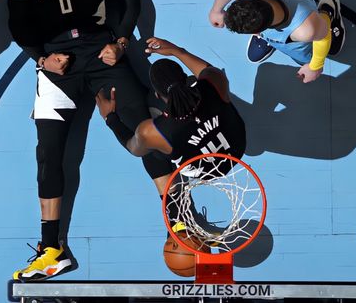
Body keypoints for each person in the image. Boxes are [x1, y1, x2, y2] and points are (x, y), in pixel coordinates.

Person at [7, 0, 173, 282]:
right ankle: (52, 250)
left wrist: (119, 42)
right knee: (49, 152)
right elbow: (17, 22)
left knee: (144, 131)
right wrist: (41, 57)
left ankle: (182, 225)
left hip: (101, 55)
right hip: (56, 66)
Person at [97, 36, 246, 250]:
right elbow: (206, 70)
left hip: (200, 169)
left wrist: (110, 118)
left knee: (148, 147)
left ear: (157, 94)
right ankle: (179, 221)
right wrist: (177, 51)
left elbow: (133, 147)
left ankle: (176, 220)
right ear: (187, 80)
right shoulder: (213, 83)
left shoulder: (155, 130)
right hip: (235, 149)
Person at [208, 0, 344, 82]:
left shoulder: (304, 30)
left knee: (307, 56)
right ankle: (270, 41)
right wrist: (216, 10)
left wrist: (315, 67)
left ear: (261, 30)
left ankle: (328, 8)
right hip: (284, 17)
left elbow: (323, 35)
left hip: (311, 26)